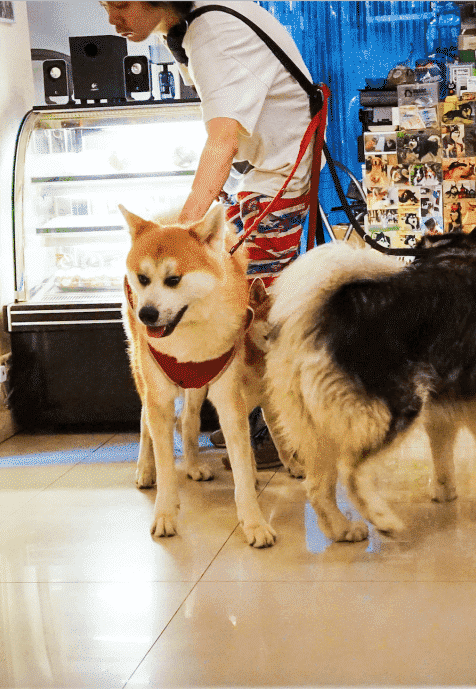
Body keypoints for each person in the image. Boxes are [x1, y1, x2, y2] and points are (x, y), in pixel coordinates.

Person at [103, 1, 320, 468]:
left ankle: (272, 433)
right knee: (247, 315)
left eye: (120, 4)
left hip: (276, 178)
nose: (111, 19)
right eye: (105, 6)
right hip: (267, 173)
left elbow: (223, 138)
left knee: (250, 319)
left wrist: (185, 233)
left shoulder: (210, 33)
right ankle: (250, 423)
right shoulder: (192, 25)